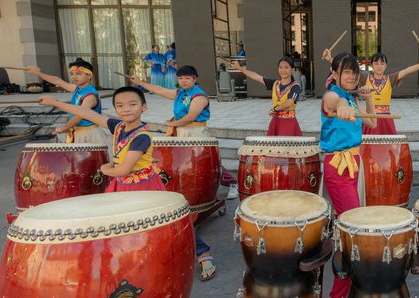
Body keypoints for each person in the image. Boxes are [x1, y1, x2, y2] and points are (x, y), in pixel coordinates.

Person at [39, 87, 217, 281]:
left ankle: (203, 253)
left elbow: (123, 169)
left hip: (144, 187)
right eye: (120, 105)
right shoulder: (118, 127)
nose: (126, 109)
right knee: (121, 226)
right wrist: (54, 102)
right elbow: (85, 112)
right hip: (122, 186)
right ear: (115, 109)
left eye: (132, 104)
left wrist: (105, 169)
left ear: (144, 107)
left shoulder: (142, 136)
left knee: (171, 223)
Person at [320, 52, 376, 298]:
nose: (352, 76)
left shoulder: (353, 97)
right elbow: (332, 101)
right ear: (335, 74)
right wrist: (341, 103)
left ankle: (347, 291)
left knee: (351, 230)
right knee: (352, 234)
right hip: (339, 167)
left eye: (354, 72)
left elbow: (373, 123)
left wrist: (366, 97)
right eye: (346, 72)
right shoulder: (333, 95)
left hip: (354, 164)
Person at [131, 65, 239, 200]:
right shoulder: (180, 93)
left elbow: (191, 116)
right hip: (181, 131)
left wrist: (172, 124)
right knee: (183, 161)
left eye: (187, 78)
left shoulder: (199, 96)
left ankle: (232, 182)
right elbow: (159, 89)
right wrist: (140, 82)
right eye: (180, 78)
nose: (183, 81)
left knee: (203, 162)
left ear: (194, 79)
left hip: (196, 132)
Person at [322, 49, 419, 134]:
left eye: (382, 63)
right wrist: (330, 60)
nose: (379, 66)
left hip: (386, 118)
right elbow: (345, 68)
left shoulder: (390, 79)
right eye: (376, 63)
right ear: (371, 65)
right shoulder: (364, 77)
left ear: (386, 65)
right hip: (369, 116)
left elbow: (407, 70)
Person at [26, 58, 108, 144]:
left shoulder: (90, 95)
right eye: (72, 74)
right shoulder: (78, 88)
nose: (74, 77)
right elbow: (57, 81)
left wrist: (63, 128)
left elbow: (79, 116)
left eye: (78, 74)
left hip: (90, 134)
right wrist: (37, 73)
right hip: (77, 131)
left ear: (89, 76)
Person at [230, 56, 303, 136]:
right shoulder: (275, 84)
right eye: (280, 67)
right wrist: (239, 68)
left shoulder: (295, 86)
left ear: (292, 70)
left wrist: (275, 109)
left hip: (289, 124)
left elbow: (290, 102)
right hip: (276, 122)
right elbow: (256, 76)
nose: (283, 70)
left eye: (286, 67)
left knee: (287, 147)